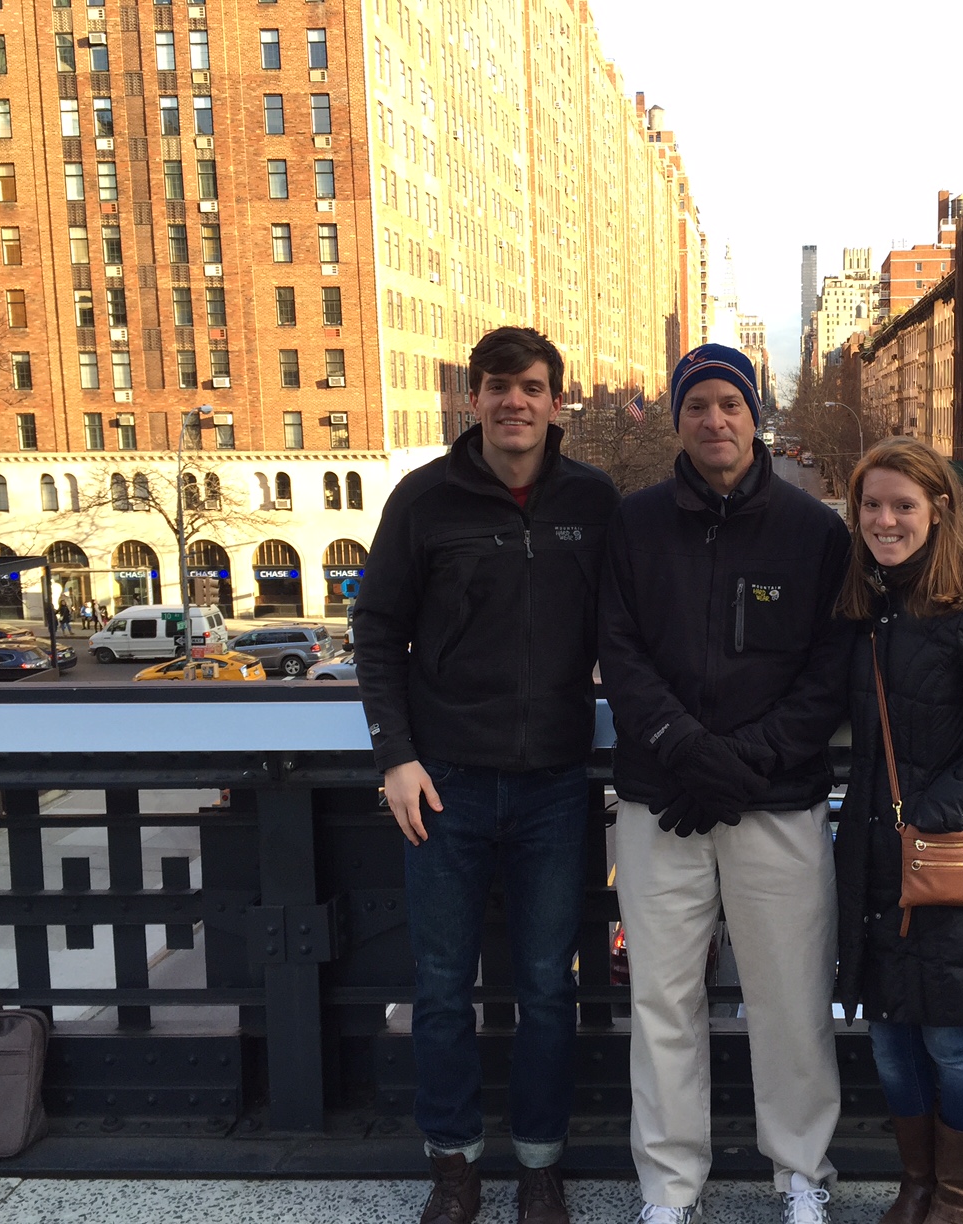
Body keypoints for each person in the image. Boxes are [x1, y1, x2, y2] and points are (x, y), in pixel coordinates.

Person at [355, 326, 620, 1224]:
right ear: (475, 398)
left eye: (534, 387)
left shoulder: (593, 500)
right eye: (500, 386)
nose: (516, 401)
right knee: (440, 988)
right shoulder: (423, 501)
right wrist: (395, 754)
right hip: (444, 787)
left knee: (550, 987)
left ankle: (540, 1164)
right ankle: (455, 1163)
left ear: (556, 402)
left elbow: (627, 630)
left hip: (554, 783)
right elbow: (377, 632)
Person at [599, 343, 852, 1224]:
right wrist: (688, 751)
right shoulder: (631, 527)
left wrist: (740, 765)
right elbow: (619, 655)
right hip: (659, 801)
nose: (716, 420)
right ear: (679, 419)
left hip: (774, 804)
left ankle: (800, 1176)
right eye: (699, 405)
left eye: (731, 405)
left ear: (756, 416)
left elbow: (829, 673)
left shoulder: (815, 531)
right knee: (661, 1001)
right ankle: (669, 1191)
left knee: (790, 999)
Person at [833, 437, 963, 1224]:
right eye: (872, 505)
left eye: (903, 506)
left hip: (949, 858)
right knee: (891, 1037)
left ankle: (960, 1198)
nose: (885, 520)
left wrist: (931, 813)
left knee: (954, 1042)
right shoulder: (864, 604)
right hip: (872, 859)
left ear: (939, 511)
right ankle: (915, 1185)